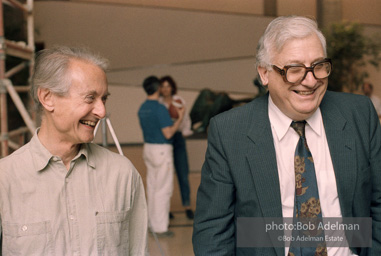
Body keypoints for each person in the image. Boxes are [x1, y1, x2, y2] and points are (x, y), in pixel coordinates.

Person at [193, 16, 381, 256]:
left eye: (318, 66)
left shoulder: (359, 115)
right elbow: (213, 233)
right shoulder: (230, 132)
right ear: (264, 74)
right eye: (294, 70)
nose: (310, 81)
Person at [0, 46, 148, 255]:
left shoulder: (122, 175)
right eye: (90, 98)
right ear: (48, 97)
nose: (102, 111)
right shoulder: (5, 180)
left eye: (104, 99)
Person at [138, 75, 185, 237]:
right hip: (162, 150)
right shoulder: (159, 108)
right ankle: (160, 227)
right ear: (158, 88)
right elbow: (168, 133)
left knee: (152, 187)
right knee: (163, 189)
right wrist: (179, 118)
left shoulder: (142, 108)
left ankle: (151, 223)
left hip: (148, 148)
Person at [159, 75, 194, 220]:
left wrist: (185, 132)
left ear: (172, 87)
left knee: (183, 173)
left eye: (168, 86)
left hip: (178, 138)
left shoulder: (178, 101)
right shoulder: (159, 103)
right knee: (165, 176)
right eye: (163, 86)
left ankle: (187, 206)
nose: (166, 89)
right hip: (164, 139)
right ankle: (165, 209)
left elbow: (185, 119)